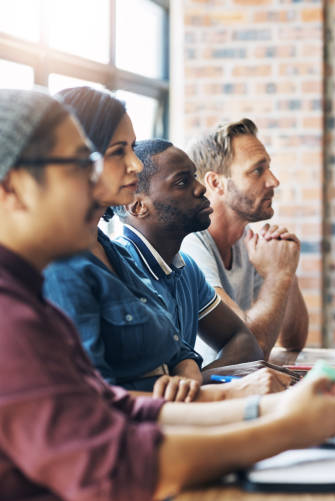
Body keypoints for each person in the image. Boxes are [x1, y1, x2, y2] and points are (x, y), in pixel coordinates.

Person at [0, 88, 335, 501]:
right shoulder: (15, 317)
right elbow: (115, 464)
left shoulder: (38, 299)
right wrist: (282, 428)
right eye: (83, 164)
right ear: (14, 188)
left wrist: (269, 407)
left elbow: (116, 407)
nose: (101, 181)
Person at [44, 88, 289, 399]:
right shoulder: (65, 265)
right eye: (120, 151)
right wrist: (224, 396)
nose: (134, 164)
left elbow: (177, 352)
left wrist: (189, 372)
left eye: (132, 148)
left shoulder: (117, 256)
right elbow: (95, 401)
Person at [113, 138, 282, 377]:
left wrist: (195, 383)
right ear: (138, 206)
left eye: (194, 176)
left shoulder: (185, 269)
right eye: (182, 182)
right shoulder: (120, 270)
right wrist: (194, 387)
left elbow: (245, 342)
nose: (201, 188)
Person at [182, 118, 309, 365]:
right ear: (216, 183)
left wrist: (286, 272)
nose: (274, 181)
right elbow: (252, 348)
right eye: (257, 170)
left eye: (269, 168)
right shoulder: (190, 245)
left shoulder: (247, 242)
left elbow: (293, 340)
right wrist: (278, 275)